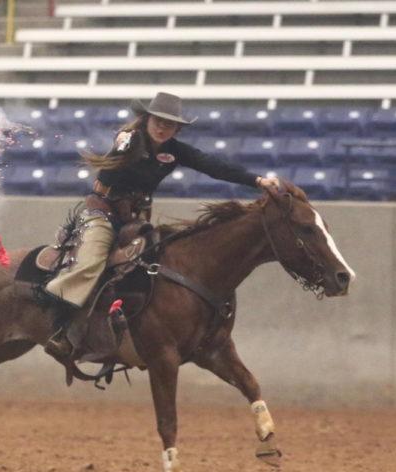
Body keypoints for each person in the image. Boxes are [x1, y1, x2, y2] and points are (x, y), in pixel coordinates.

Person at [43, 91, 280, 359]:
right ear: (146, 119)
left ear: (177, 128)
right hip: (103, 214)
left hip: (136, 220)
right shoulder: (130, 141)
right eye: (158, 120)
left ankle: (130, 328)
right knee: (90, 261)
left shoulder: (174, 151)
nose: (162, 127)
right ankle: (59, 328)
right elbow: (108, 173)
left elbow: (213, 166)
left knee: (156, 267)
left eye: (169, 124)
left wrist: (258, 181)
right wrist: (122, 147)